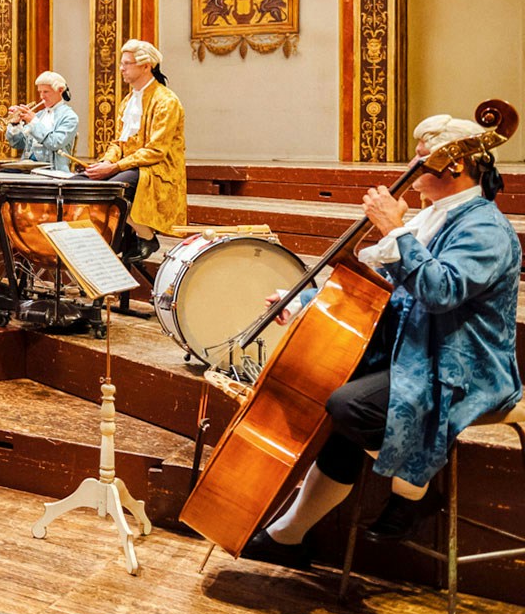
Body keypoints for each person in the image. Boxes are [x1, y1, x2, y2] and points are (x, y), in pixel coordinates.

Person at [241, 114, 521, 569]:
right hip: (414, 350)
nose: (411, 167)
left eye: (422, 159)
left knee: (352, 406)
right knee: (339, 403)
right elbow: (381, 289)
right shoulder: (434, 216)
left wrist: (395, 231)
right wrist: (309, 300)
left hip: (463, 366)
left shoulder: (484, 228)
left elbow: (439, 291)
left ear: (455, 167)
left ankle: (415, 489)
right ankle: (288, 537)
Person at [83, 39, 186, 263]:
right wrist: (106, 162)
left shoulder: (166, 101)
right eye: (122, 63)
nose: (121, 68)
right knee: (79, 183)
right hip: (132, 165)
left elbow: (156, 151)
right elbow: (118, 143)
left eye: (127, 64)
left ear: (146, 66)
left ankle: (146, 236)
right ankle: (112, 240)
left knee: (110, 188)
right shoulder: (128, 101)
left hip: (157, 169)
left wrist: (114, 167)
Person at [5, 70, 81, 173]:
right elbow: (18, 144)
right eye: (40, 92)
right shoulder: (39, 115)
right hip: (28, 170)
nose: (42, 96)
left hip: (53, 171)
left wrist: (34, 122)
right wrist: (15, 124)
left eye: (46, 92)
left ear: (60, 90)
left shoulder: (70, 117)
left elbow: (55, 143)